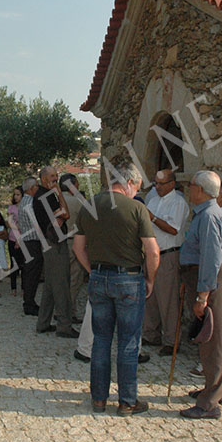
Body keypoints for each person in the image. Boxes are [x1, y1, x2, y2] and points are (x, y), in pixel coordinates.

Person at [72, 163, 160, 415]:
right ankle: (127, 401)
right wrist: (150, 280)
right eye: (137, 187)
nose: (136, 192)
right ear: (129, 183)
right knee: (128, 342)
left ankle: (99, 399)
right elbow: (153, 251)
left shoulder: (89, 205)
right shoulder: (136, 208)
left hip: (99, 277)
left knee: (100, 341)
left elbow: (78, 248)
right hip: (129, 278)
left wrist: (93, 271)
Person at [179, 170, 222, 420]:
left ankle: (210, 403)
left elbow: (211, 259)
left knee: (214, 339)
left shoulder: (210, 216)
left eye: (191, 185)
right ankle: (214, 390)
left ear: (200, 190)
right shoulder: (205, 214)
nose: (189, 189)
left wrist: (202, 295)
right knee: (209, 337)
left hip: (213, 281)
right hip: (205, 278)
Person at [143, 169, 189, 356]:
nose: (157, 187)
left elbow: (173, 229)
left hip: (168, 254)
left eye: (161, 184)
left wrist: (152, 217)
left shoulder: (178, 203)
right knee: (150, 296)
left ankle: (171, 340)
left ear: (172, 184)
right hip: (151, 254)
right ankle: (150, 333)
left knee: (168, 299)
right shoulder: (153, 201)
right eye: (155, 183)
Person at [34, 166, 76, 338]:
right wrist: (59, 192)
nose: (55, 178)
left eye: (56, 175)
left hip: (50, 242)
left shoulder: (43, 195)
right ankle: (64, 326)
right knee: (61, 284)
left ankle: (43, 323)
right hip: (54, 243)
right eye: (52, 176)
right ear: (44, 178)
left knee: (51, 285)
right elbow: (66, 214)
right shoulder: (45, 196)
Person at [60, 173, 85, 322]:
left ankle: (59, 309)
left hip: (56, 243)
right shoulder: (77, 202)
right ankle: (69, 311)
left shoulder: (55, 201)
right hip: (73, 241)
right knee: (74, 279)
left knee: (60, 279)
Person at [17, 177, 42, 315]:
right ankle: (29, 303)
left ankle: (29, 301)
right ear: (32, 188)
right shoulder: (31, 203)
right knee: (32, 273)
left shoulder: (23, 202)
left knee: (29, 272)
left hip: (26, 241)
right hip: (33, 241)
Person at [6, 186, 23, 296]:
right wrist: (16, 227)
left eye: (18, 194)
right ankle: (13, 288)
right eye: (15, 194)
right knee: (13, 264)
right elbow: (9, 222)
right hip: (12, 238)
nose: (16, 197)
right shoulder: (11, 208)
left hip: (24, 238)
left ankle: (24, 287)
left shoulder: (26, 208)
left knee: (24, 264)